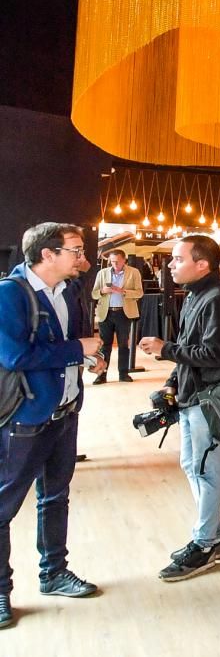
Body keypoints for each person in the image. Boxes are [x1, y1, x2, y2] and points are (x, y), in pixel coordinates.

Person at [0, 223, 103, 629]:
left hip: (64, 413)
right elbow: (13, 356)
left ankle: (54, 573)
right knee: (3, 508)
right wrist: (78, 349)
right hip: (25, 418)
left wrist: (87, 357)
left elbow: (68, 345)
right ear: (47, 254)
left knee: (55, 497)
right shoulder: (10, 294)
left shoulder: (70, 290)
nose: (83, 258)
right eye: (75, 250)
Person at [139, 235, 220, 582]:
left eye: (177, 259)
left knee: (206, 469)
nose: (170, 265)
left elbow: (215, 354)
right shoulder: (197, 295)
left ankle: (204, 543)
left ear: (202, 264)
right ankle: (213, 535)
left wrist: (165, 349)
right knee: (192, 464)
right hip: (191, 395)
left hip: (209, 398)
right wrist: (172, 380)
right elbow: (190, 347)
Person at [90, 248, 144, 382]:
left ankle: (123, 374)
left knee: (123, 345)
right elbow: (93, 294)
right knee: (105, 346)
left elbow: (139, 293)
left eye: (117, 262)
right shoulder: (102, 273)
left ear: (124, 260)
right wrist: (103, 291)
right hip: (106, 313)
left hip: (124, 313)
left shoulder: (134, 272)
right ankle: (102, 375)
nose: (114, 264)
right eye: (112, 262)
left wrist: (123, 291)